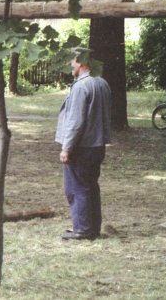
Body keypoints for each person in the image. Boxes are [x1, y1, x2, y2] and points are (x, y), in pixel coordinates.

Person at [55, 48, 111, 241]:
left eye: (73, 61)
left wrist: (66, 147)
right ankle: (92, 227)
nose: (71, 65)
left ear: (81, 62)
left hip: (82, 147)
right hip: (97, 145)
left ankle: (83, 229)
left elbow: (76, 121)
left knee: (76, 187)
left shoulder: (81, 86)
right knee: (90, 186)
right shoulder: (102, 82)